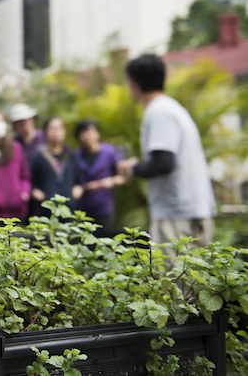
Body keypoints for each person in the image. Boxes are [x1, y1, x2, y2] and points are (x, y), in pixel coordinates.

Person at [118, 54, 216, 255]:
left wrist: (132, 169)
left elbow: (163, 163)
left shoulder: (158, 112)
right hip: (190, 214)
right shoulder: (171, 108)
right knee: (188, 284)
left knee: (175, 285)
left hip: (177, 217)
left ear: (133, 84)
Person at [75, 120, 128, 228]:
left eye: (91, 132)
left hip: (104, 208)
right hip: (81, 209)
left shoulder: (109, 152)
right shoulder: (74, 156)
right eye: (84, 132)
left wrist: (111, 181)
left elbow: (123, 176)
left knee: (105, 239)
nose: (88, 136)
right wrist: (86, 187)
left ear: (98, 134)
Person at [30, 117, 83, 217]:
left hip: (68, 211)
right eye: (52, 129)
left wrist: (76, 191)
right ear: (45, 132)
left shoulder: (71, 154)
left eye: (59, 128)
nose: (56, 132)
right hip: (45, 211)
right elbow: (30, 181)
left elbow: (78, 180)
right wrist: (36, 193)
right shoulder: (38, 155)